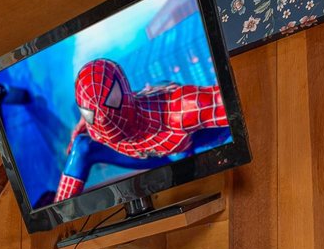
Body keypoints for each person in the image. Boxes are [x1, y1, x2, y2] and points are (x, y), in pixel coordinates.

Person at [52, 58, 230, 201]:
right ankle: (59, 216)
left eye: (108, 108)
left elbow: (231, 101)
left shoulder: (179, 109)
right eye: (91, 113)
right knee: (82, 146)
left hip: (179, 147)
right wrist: (82, 124)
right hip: (147, 152)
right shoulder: (94, 122)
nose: (102, 122)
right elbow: (96, 102)